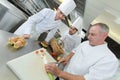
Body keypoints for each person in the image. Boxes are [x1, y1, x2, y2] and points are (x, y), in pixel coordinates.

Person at [45, 23, 119, 80]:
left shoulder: (109, 59)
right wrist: (68, 57)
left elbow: (88, 79)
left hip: (61, 74)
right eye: (89, 34)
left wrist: (59, 73)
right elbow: (74, 51)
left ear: (104, 36)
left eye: (92, 34)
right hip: (62, 76)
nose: (89, 37)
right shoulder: (86, 43)